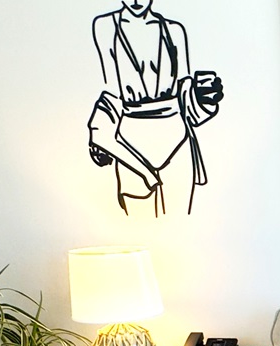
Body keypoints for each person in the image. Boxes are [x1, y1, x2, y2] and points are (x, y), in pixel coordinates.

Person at [87, 0, 224, 214]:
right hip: (129, 142)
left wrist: (204, 94)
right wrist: (101, 134)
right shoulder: (105, 26)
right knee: (133, 225)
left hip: (177, 139)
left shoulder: (174, 30)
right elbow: (110, 91)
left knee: (182, 221)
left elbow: (184, 93)